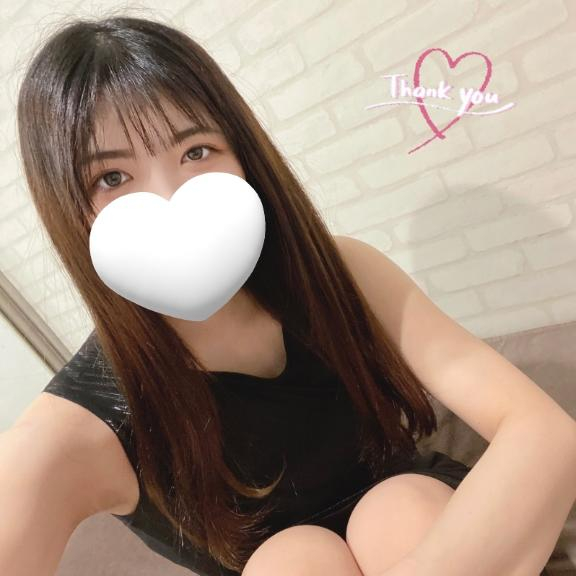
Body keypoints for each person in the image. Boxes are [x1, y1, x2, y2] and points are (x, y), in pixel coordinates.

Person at [3, 15, 475, 576]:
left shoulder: (341, 274)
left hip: (432, 524)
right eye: (111, 178)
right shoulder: (82, 424)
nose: (170, 199)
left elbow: (538, 431)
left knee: (398, 511)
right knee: (291, 563)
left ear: (243, 154)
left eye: (196, 151)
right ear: (70, 210)